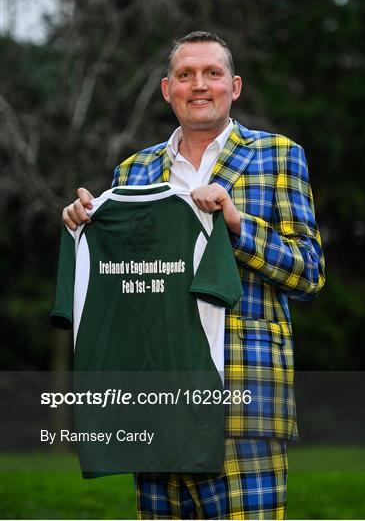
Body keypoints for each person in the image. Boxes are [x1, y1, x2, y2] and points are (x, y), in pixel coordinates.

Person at [63, 31, 325, 520]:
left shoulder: (278, 155)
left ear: (235, 86)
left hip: (244, 403)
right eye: (185, 75)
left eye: (212, 73)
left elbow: (309, 273)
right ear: (167, 89)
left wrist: (236, 225)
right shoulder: (133, 172)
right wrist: (85, 227)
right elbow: (122, 285)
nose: (198, 85)